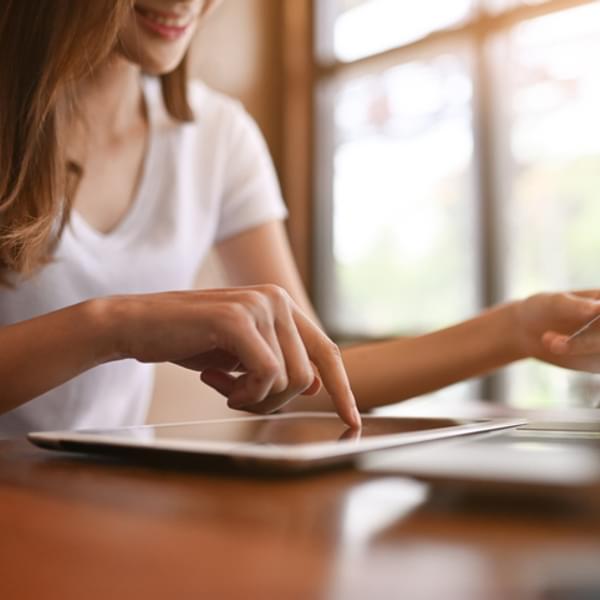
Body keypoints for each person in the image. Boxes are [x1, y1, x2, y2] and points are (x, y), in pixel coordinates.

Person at [0, 0, 598, 438]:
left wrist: (520, 328)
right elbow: (115, 330)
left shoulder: (217, 136)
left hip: (93, 507)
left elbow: (313, 377)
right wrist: (114, 327)